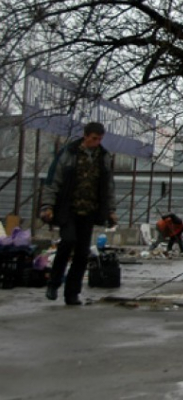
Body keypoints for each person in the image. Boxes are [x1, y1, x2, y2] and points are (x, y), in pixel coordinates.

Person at [40, 122, 117, 306]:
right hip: (69, 209)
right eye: (93, 139)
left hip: (89, 211)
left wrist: (111, 210)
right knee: (67, 242)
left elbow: (109, 186)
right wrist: (47, 206)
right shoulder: (69, 153)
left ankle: (72, 293)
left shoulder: (103, 157)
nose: (96, 142)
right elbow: (53, 181)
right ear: (85, 136)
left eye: (99, 139)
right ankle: (54, 283)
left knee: (82, 253)